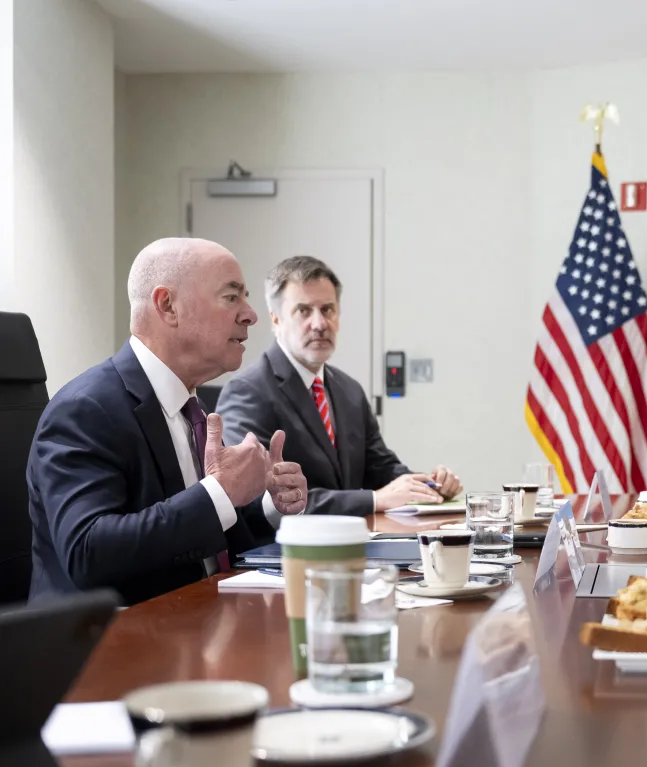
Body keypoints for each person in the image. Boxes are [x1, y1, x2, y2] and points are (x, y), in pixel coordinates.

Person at [27, 238, 308, 606]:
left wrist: (270, 503)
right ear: (167, 306)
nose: (250, 314)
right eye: (231, 297)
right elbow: (87, 552)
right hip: (108, 646)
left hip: (198, 624)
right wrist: (221, 493)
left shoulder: (196, 407)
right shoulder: (85, 409)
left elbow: (202, 530)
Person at [216, 256, 461, 516]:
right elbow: (260, 499)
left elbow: (381, 467)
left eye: (328, 310)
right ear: (276, 320)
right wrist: (375, 500)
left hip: (355, 542)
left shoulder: (349, 389)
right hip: (285, 551)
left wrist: (429, 486)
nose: (320, 324)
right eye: (304, 311)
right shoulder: (247, 391)